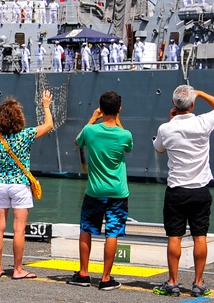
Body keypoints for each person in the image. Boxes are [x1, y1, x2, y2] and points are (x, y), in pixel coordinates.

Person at [152, 86, 214, 297]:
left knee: (174, 237)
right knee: (199, 236)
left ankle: (173, 282)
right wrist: (202, 93)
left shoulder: (165, 128)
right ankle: (198, 283)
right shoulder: (204, 122)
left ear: (174, 106)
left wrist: (170, 121)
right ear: (192, 104)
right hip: (200, 190)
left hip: (176, 190)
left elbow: (159, 149)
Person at [67, 91, 133, 290]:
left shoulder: (90, 130)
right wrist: (117, 118)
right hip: (118, 193)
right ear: (119, 109)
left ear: (101, 109)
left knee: (86, 229)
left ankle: (84, 273)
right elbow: (128, 148)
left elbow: (77, 142)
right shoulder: (125, 134)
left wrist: (94, 118)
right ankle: (105, 278)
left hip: (94, 191)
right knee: (112, 233)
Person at [0, 92, 53, 279]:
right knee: (18, 229)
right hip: (20, 186)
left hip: (0, 184)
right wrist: (46, 105)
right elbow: (49, 125)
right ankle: (17, 270)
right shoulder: (26, 135)